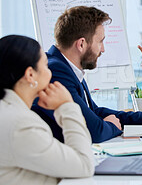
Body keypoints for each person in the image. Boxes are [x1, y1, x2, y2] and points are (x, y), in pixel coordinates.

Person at [32, 6, 142, 143]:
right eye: (100, 41)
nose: (103, 49)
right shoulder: (55, 71)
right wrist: (111, 126)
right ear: (81, 44)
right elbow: (94, 131)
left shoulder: (67, 67)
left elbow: (94, 112)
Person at [0, 35, 93, 184]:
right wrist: (67, 106)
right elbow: (84, 165)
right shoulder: (20, 124)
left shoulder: (9, 111)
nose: (50, 73)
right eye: (46, 65)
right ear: (30, 75)